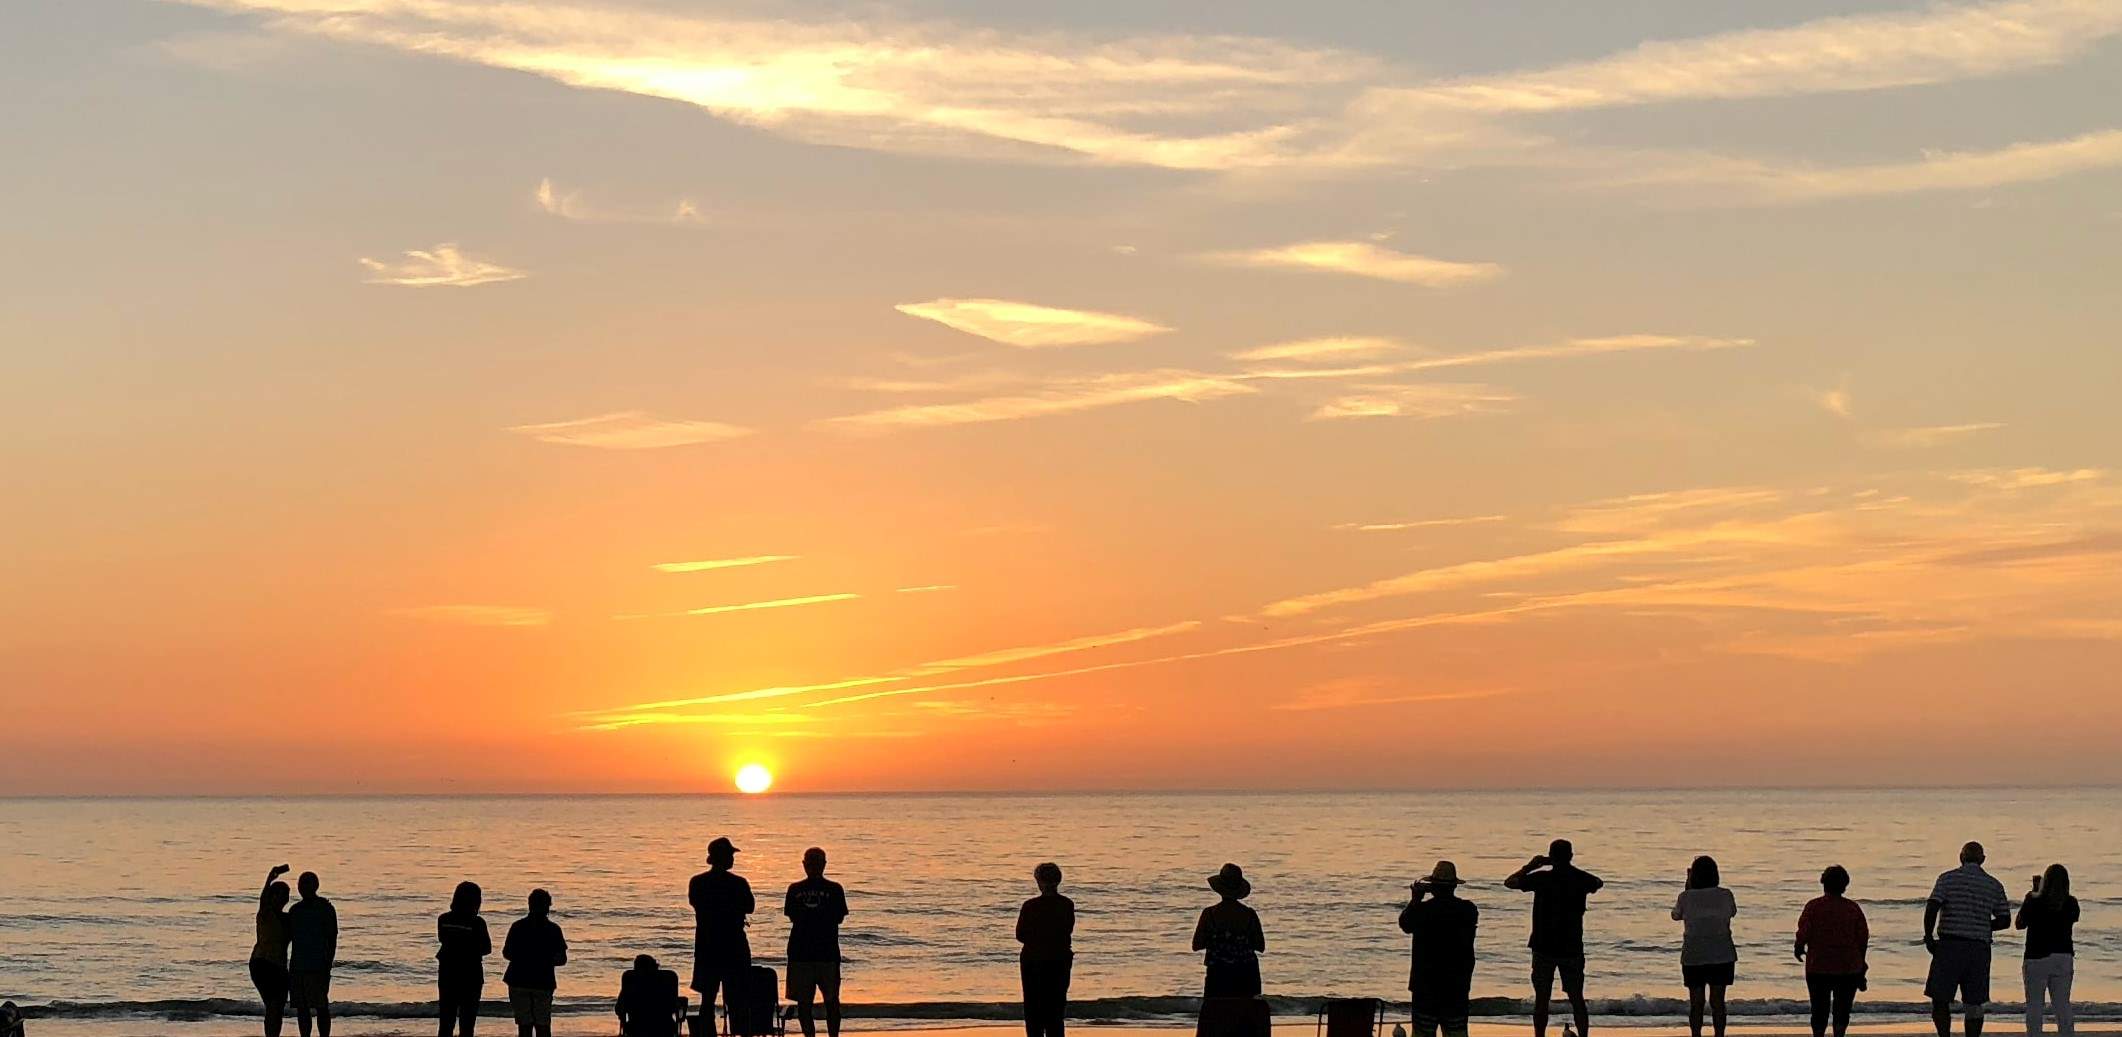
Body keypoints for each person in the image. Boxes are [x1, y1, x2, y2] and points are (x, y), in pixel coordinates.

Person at [1505, 839, 1603, 1037]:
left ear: (1550, 857)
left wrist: (1531, 866)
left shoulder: (1541, 878)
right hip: (1571, 946)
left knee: (1542, 998)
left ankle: (1539, 1035)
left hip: (1543, 946)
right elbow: (1598, 882)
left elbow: (1510, 882)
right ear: (1571, 856)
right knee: (1577, 997)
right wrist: (1571, 868)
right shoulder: (1580, 879)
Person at [1925, 842, 2013, 1037]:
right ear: (1982, 860)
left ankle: (1944, 1035)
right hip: (1978, 948)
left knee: (1940, 999)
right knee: (1974, 1002)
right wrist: (1982, 923)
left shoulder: (1947, 879)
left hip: (1949, 945)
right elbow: (2005, 920)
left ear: (1961, 857)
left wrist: (1928, 936)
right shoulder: (1994, 884)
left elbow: (1932, 906)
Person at [1399, 861, 1478, 1037]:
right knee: (1456, 1031)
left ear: (1433, 886)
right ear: (1454, 886)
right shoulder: (1468, 910)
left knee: (1423, 1032)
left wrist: (1415, 899)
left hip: (1425, 985)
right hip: (1457, 985)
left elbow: (1405, 924)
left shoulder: (1423, 910)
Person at [1795, 865, 1869, 1037]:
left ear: (1823, 883)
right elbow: (1862, 939)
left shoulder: (1813, 906)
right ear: (1845, 885)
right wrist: (1861, 965)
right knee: (1842, 1011)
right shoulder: (1853, 908)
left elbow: (1804, 932)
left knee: (1819, 1009)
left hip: (1818, 966)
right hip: (1848, 967)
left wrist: (1798, 947)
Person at [785, 847, 850, 1037]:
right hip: (810, 954)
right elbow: (838, 917)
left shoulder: (799, 889)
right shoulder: (830, 889)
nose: (813, 867)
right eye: (811, 863)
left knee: (824, 1002)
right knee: (815, 1003)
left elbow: (793, 916)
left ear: (823, 865)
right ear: (805, 865)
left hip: (816, 953)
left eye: (816, 863)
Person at [690, 836, 755, 1023]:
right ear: (724, 857)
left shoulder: (697, 882)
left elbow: (697, 904)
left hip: (706, 945)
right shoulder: (739, 883)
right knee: (737, 1001)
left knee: (707, 1000)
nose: (733, 859)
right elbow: (749, 907)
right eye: (730, 855)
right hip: (734, 946)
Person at [1672, 856, 1738, 1037]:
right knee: (1718, 1002)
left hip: (1694, 955)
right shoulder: (1726, 894)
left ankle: (1696, 1035)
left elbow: (1675, 915)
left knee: (1696, 1003)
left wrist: (1688, 886)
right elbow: (1732, 912)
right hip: (1722, 953)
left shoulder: (1685, 897)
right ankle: (1719, 1034)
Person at [2016, 864, 2079, 1037]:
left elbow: (2020, 924)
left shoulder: (2034, 900)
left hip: (2036, 956)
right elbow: (2073, 918)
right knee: (2062, 1004)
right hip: (2063, 956)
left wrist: (2035, 893)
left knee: (2035, 1004)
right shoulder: (2071, 902)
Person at [1016, 862, 1075, 1037]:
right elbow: (1067, 930)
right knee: (1056, 1008)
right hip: (1059, 958)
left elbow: (1020, 935)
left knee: (1033, 1008)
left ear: (1039, 881)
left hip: (1034, 959)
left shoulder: (1030, 905)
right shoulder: (1066, 904)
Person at [1193, 863, 1266, 998]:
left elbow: (1196, 945)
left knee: (1217, 1015)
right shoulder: (1249, 914)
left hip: (1218, 974)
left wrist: (1217, 940)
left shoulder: (1209, 914)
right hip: (1247, 974)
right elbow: (1260, 946)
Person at [502, 889, 568, 1037]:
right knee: (543, 1025)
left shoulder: (518, 926)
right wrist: (544, 960)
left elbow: (506, 953)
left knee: (524, 1026)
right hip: (543, 981)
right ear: (547, 907)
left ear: (530, 905)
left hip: (518, 980)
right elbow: (562, 959)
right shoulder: (553, 929)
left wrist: (525, 957)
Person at [286, 871, 339, 1037]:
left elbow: (332, 938)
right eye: (301, 884)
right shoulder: (295, 910)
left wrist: (328, 963)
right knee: (302, 1008)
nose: (303, 887)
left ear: (315, 886)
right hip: (298, 965)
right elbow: (287, 937)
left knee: (321, 1005)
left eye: (307, 884)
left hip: (318, 965)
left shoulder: (326, 908)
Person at [437, 881, 492, 1037]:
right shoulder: (478, 922)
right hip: (471, 974)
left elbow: (443, 940)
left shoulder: (444, 919)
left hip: (448, 973)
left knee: (446, 1022)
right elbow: (486, 948)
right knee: (467, 1023)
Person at [252, 864, 295, 1037]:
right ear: (273, 896)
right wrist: (270, 877)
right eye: (281, 894)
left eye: (287, 894)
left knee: (278, 1007)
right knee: (273, 1005)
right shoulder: (265, 913)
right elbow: (263, 898)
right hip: (262, 963)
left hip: (279, 966)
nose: (284, 897)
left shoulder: (288, 918)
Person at [616, 954, 684, 1037]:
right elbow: (674, 1007)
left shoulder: (631, 981)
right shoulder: (667, 979)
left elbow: (619, 1008)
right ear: (655, 967)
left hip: (636, 1028)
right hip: (664, 1027)